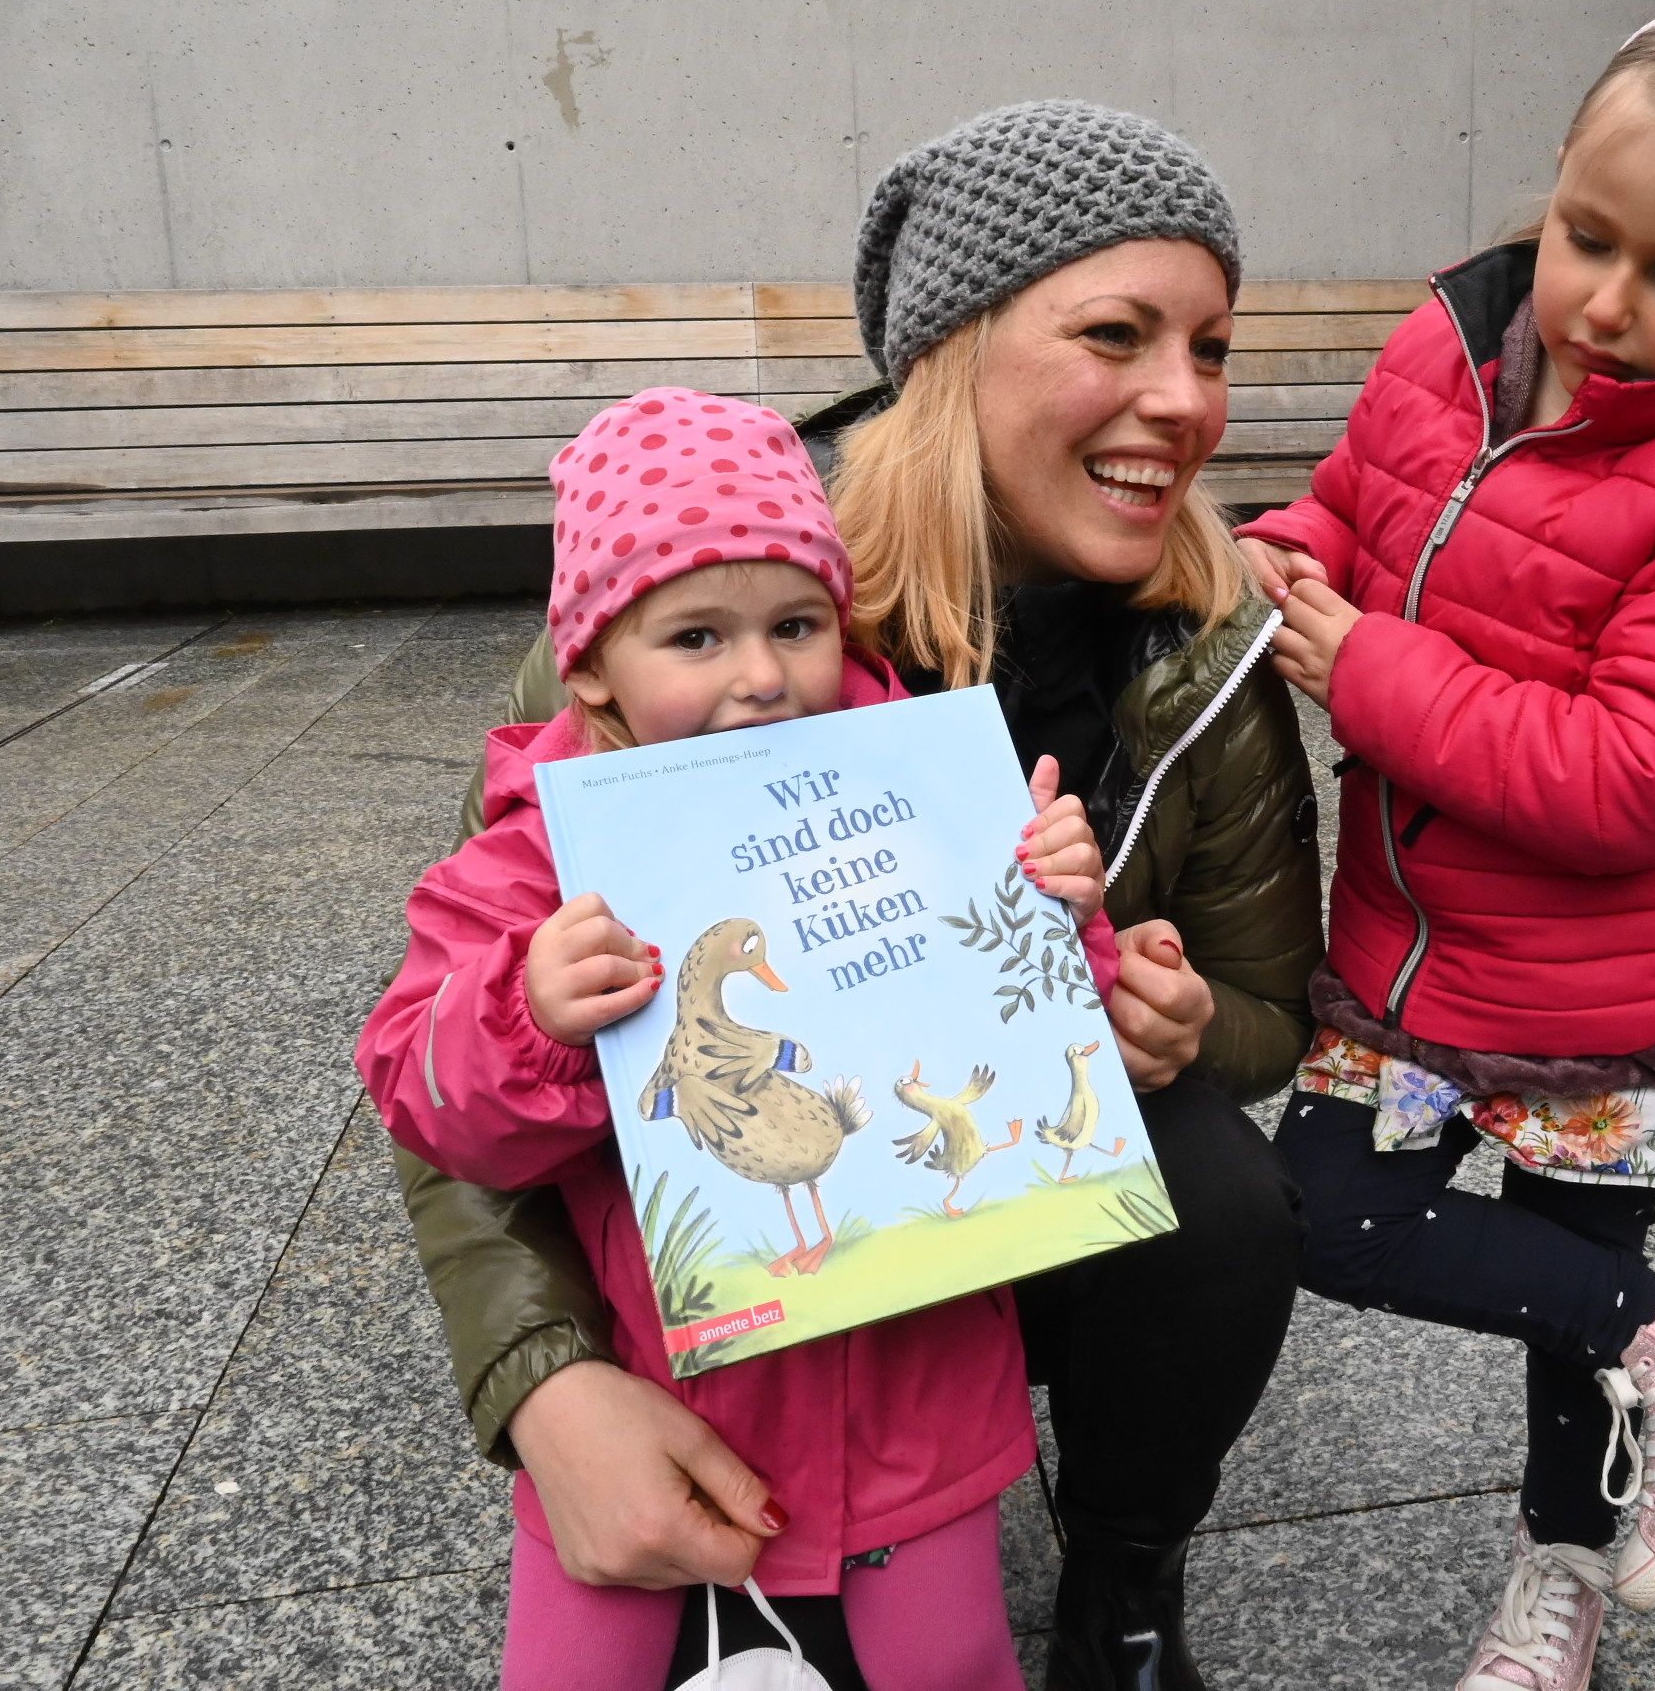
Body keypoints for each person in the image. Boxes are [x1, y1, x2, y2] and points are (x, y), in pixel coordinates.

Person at [391, 103, 1322, 1690]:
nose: (1184, 401)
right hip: (712, 1235)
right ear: (953, 353)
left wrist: (1161, 1018)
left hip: (977, 1196)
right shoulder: (687, 584)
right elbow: (439, 1063)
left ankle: (1124, 1566)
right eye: (1117, 334)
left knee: (1225, 1201)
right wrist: (545, 1387)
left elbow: (1267, 1014)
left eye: (1213, 348)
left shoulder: (1214, 647)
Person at [1234, 2, 1655, 1691]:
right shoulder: (1453, 341)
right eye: (1586, 238)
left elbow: (1643, 774)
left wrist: (1367, 670)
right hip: (1404, 953)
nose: (1605, 302)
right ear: (1554, 184)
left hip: (1614, 998)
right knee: (1321, 1214)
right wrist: (1282, 550)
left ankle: (1561, 1584)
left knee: (1569, 1336)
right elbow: (1356, 505)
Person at [356, 393, 1127, 1689]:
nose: (761, 675)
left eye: (796, 625)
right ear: (590, 667)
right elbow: (422, 1090)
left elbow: (1048, 1035)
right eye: (696, 636)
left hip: (918, 1398)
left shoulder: (912, 798)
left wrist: (1060, 914)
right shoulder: (535, 861)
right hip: (661, 1385)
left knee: (949, 1665)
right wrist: (528, 1011)